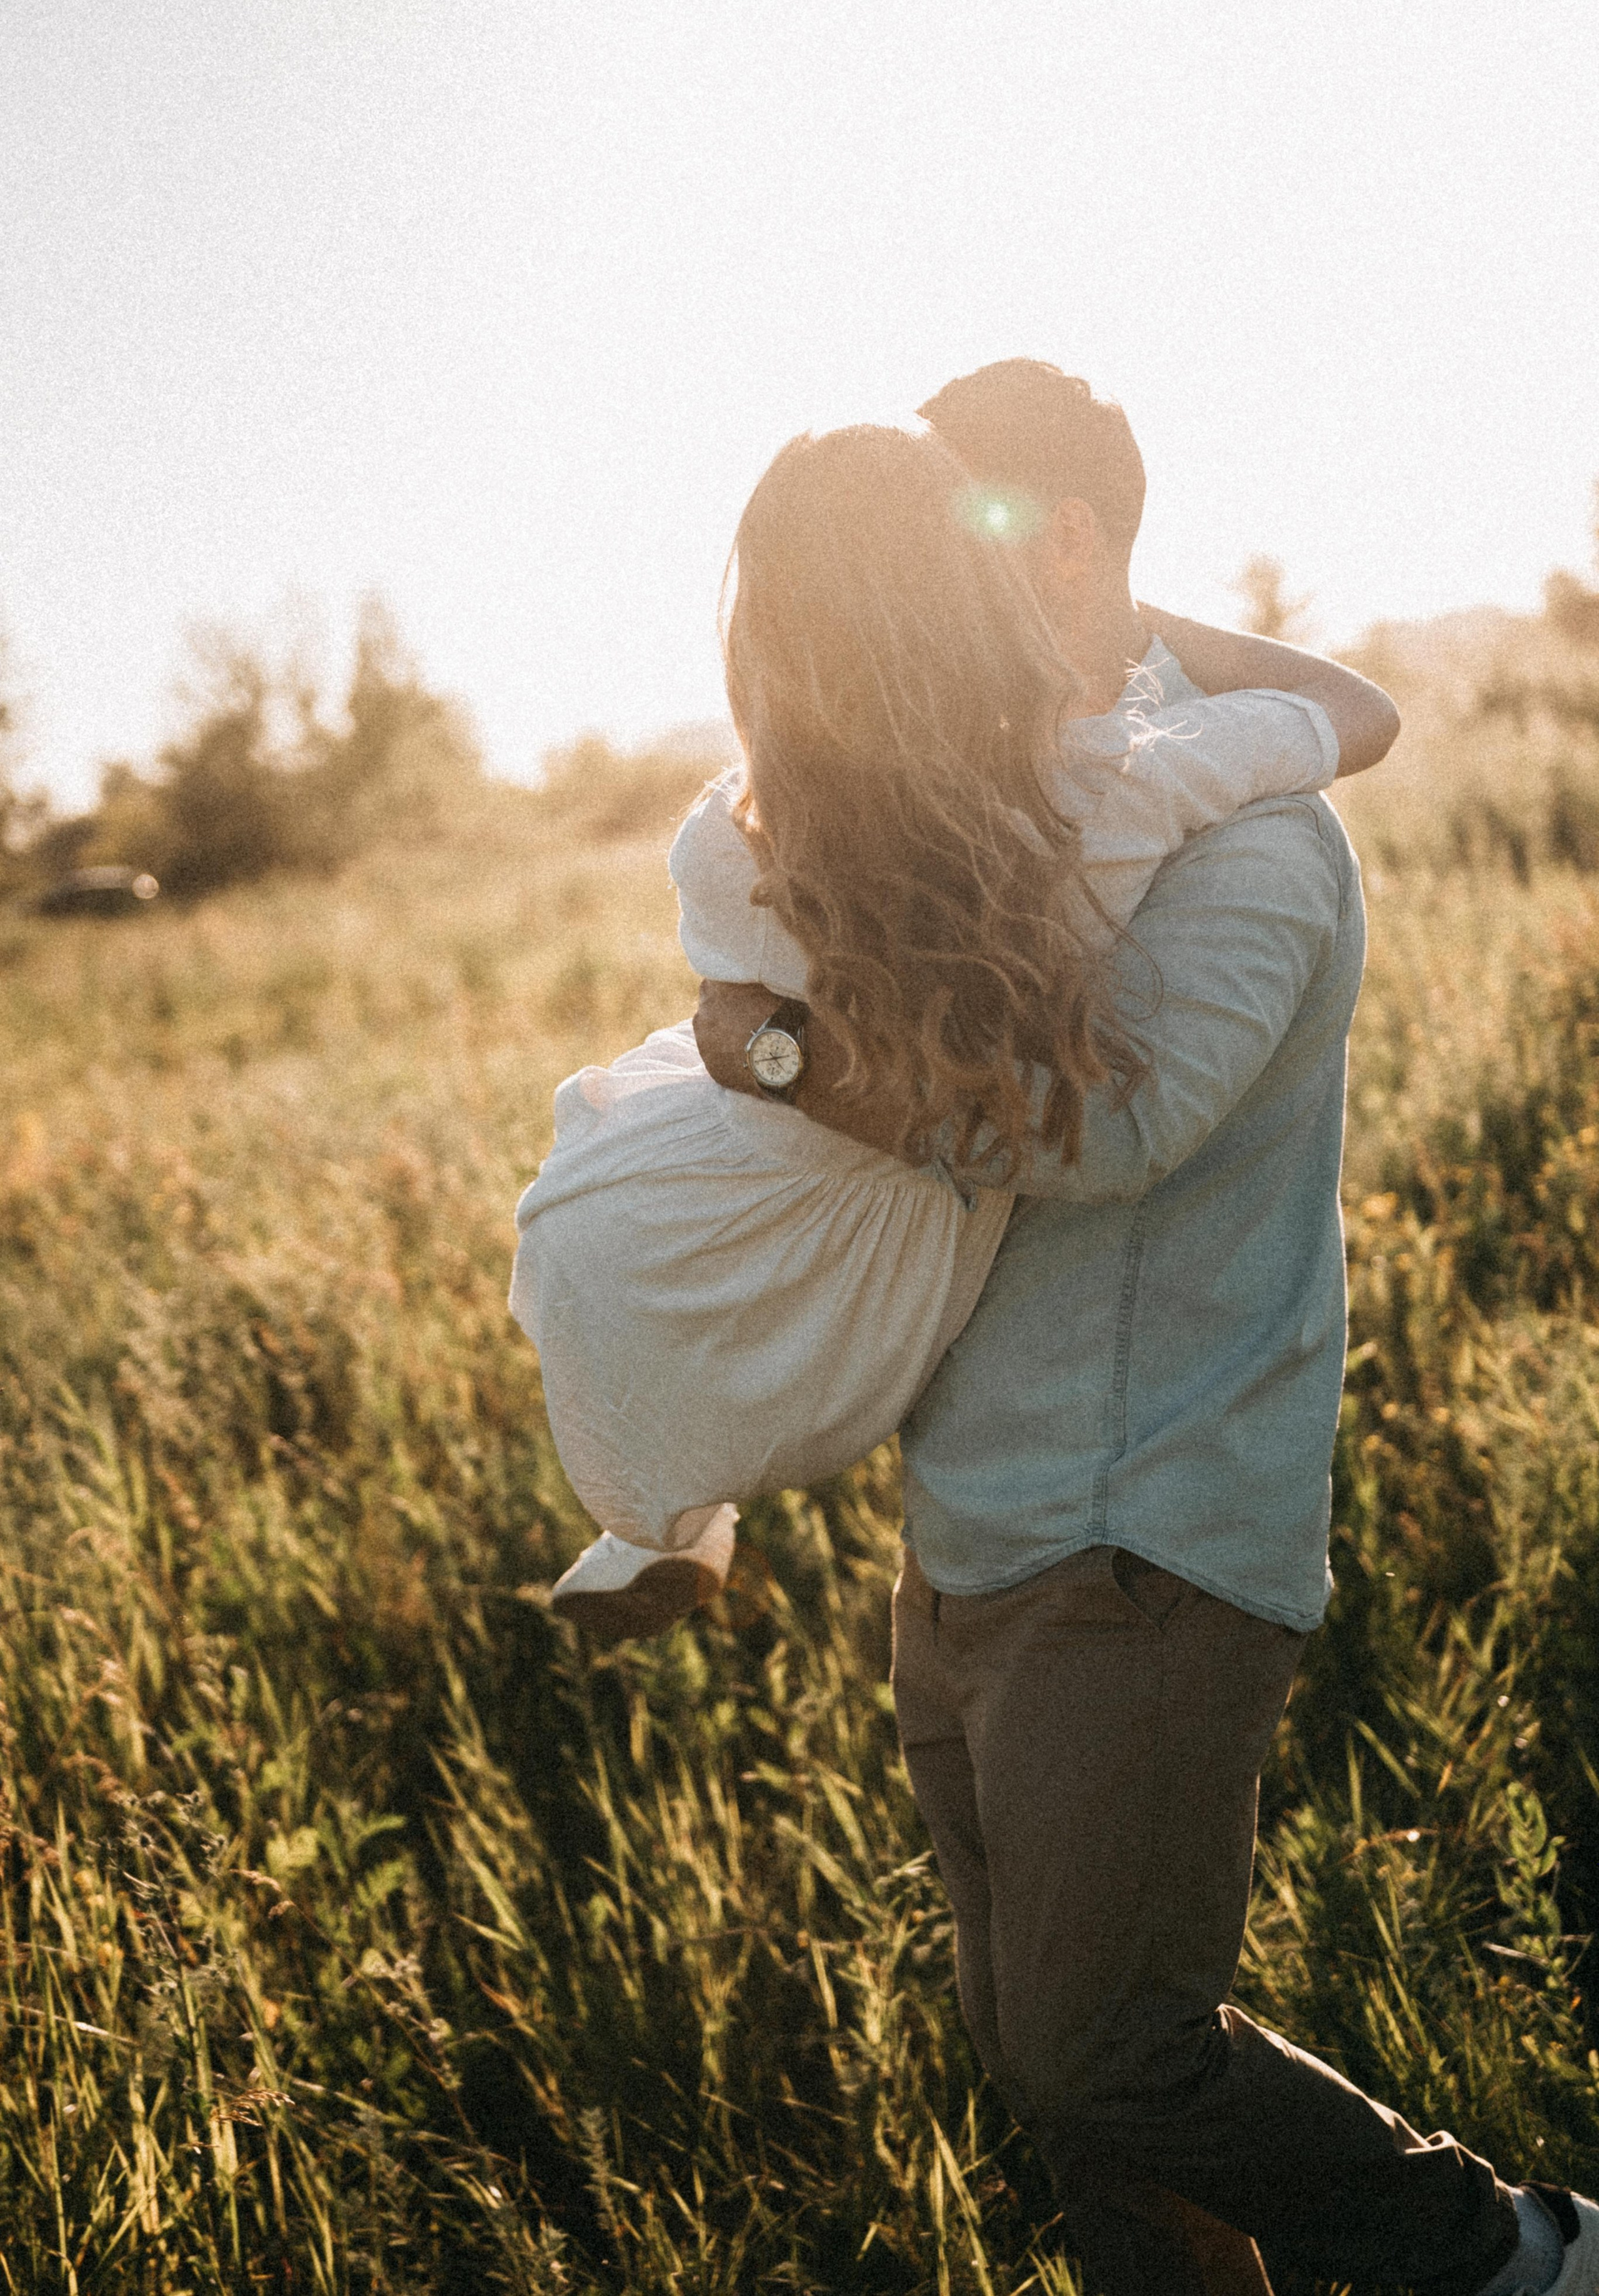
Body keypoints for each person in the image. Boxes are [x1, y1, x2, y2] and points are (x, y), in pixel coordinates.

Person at [690, 363, 1599, 2295]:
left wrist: (784, 1056)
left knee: (1108, 2049)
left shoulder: (1250, 832)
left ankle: (1522, 2255)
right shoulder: (975, 814)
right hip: (976, 1539)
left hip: (1151, 1534)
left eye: (949, 544)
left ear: (1066, 545)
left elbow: (1109, 1129)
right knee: (1081, 2104)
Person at [510, 418, 1388, 1642]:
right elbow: (1354, 711)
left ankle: (661, 1524)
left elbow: (736, 1022)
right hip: (910, 1226)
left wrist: (768, 1047)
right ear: (979, 600)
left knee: (599, 1247)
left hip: (683, 1205)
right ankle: (663, 1520)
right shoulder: (1117, 787)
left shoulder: (722, 845)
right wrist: (1127, 620)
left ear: (758, 642)